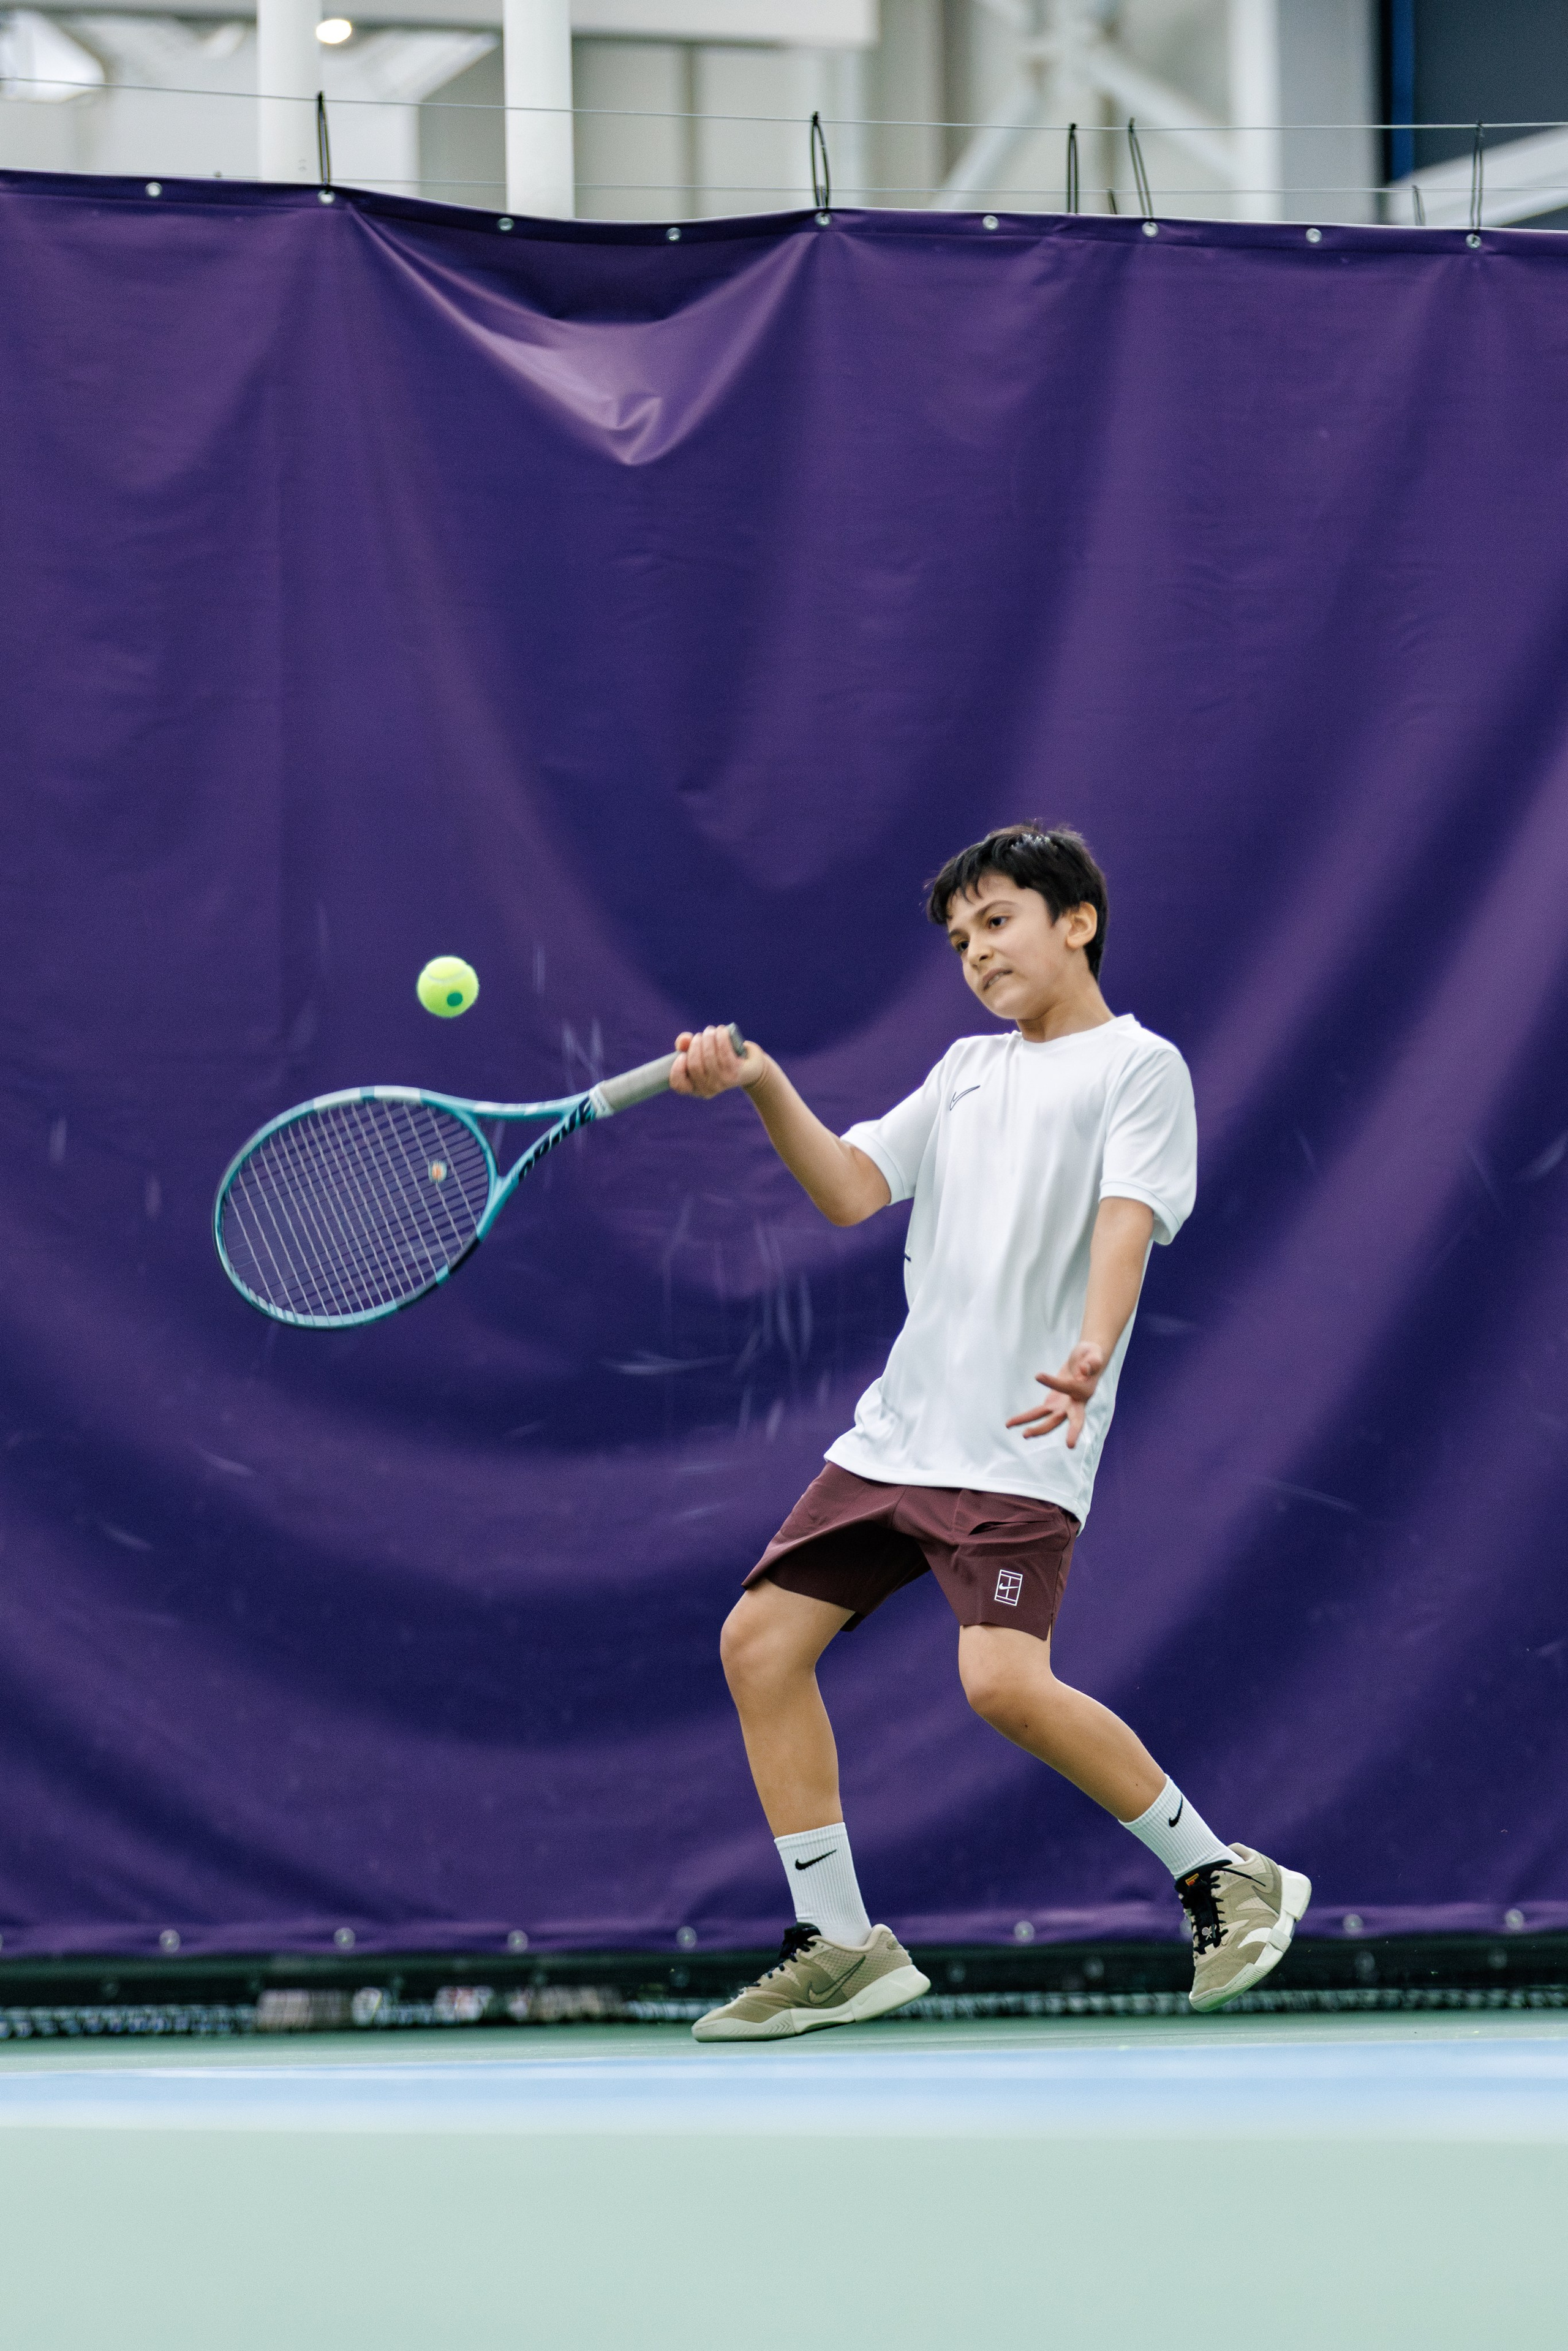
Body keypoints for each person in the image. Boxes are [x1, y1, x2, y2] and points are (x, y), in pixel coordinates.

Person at [673, 824, 1310, 2042]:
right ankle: (840, 1944)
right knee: (757, 1642)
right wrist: (762, 1085)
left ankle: (1222, 1873)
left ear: (1074, 922)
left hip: (1019, 1438)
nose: (977, 951)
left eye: (999, 920)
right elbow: (854, 1186)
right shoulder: (965, 1069)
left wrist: (1088, 1346)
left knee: (1000, 1683)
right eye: (960, 939)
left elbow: (1125, 1219)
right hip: (897, 1433)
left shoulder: (1139, 1066)